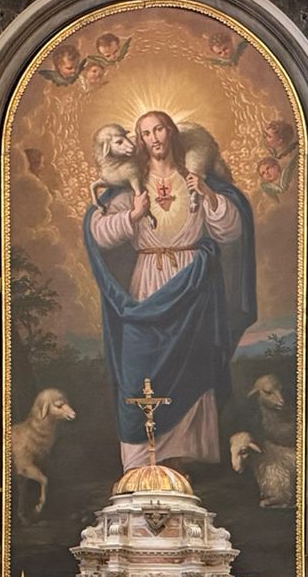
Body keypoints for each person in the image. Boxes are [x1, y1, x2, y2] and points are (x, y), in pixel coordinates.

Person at [85, 109, 254, 471]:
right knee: (139, 373)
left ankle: (182, 460)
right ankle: (141, 463)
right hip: (146, 286)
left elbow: (230, 231)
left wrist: (207, 194)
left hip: (192, 286)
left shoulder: (195, 178)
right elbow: (99, 233)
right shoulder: (130, 185)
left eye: (159, 129)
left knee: (191, 367)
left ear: (171, 132)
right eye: (145, 133)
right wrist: (132, 216)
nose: (154, 138)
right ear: (139, 141)